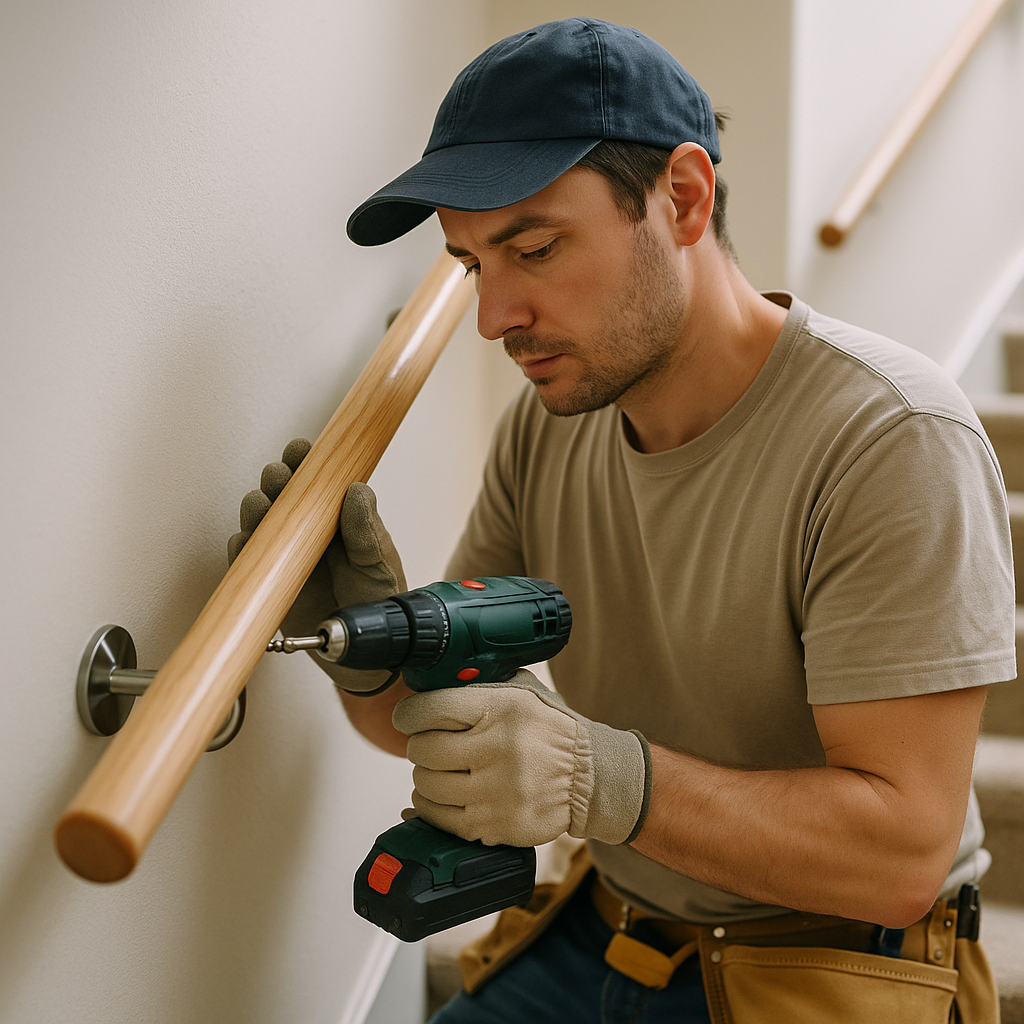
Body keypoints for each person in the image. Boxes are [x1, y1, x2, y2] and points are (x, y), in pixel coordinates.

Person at [234, 18, 1015, 1024]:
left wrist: (599, 778)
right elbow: (419, 724)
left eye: (534, 246)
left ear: (682, 200)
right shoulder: (549, 429)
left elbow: (900, 855)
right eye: (474, 264)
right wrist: (366, 643)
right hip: (604, 925)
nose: (493, 316)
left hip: (823, 961)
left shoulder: (889, 438)